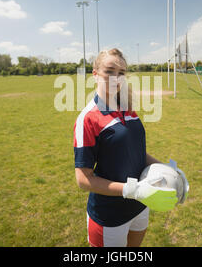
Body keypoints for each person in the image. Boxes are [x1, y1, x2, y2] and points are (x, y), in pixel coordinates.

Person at [73, 48, 178, 247]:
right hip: (109, 216)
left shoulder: (128, 109)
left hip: (140, 206)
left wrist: (168, 169)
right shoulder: (88, 118)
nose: (116, 78)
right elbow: (83, 179)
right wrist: (134, 190)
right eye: (109, 71)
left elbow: (136, 153)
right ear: (95, 74)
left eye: (121, 73)